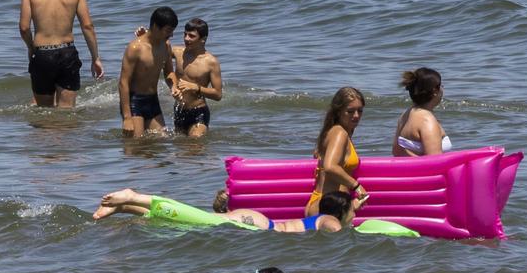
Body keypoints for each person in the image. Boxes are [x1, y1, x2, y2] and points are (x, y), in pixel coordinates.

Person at [91, 186, 363, 234]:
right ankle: (135, 196)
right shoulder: (328, 219)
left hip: (257, 222)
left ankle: (125, 207)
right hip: (258, 226)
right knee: (197, 217)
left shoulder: (317, 216)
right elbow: (336, 230)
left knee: (192, 219)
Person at [20, 0, 103, 108]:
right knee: (66, 111)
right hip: (67, 54)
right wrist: (95, 58)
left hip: (42, 54)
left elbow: (24, 28)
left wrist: (31, 48)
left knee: (44, 111)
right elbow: (87, 26)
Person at [308, 87, 369, 217]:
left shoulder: (332, 132)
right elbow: (330, 166)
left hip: (329, 205)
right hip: (327, 208)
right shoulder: (339, 133)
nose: (356, 115)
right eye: (350, 111)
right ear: (338, 112)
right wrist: (356, 186)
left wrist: (351, 205)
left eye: (360, 111)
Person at [118, 7, 178, 136]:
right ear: (156, 26)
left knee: (160, 143)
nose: (171, 35)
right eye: (168, 31)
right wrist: (127, 118)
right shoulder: (135, 48)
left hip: (153, 100)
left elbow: (169, 72)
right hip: (134, 101)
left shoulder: (166, 45)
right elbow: (123, 82)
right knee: (134, 147)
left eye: (172, 31)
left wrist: (173, 86)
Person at [171, 18, 221, 137]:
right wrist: (145, 36)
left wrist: (196, 87)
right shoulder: (178, 52)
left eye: (191, 36)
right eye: (185, 34)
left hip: (198, 111)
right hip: (179, 110)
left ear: (203, 39)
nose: (186, 39)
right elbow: (157, 48)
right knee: (182, 151)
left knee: (195, 143)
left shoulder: (211, 62)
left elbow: (218, 94)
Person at [392, 67, 451, 157]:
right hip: (427, 171)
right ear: (435, 91)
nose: (443, 89)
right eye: (441, 86)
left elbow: (396, 152)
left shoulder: (405, 114)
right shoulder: (427, 120)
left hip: (409, 170)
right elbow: (434, 161)